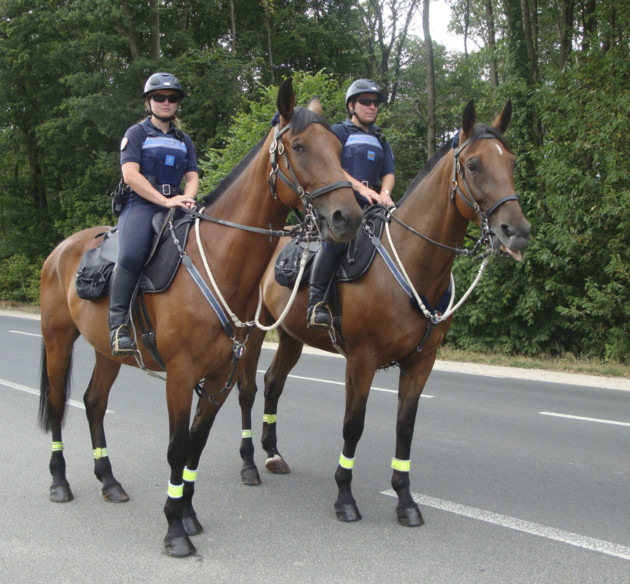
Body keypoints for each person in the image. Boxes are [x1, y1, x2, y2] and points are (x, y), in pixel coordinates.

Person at [109, 72, 199, 355]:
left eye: (172, 98)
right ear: (149, 102)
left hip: (175, 204)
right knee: (132, 253)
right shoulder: (136, 134)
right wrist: (164, 200)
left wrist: (187, 198)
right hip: (141, 204)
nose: (166, 102)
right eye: (159, 97)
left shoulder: (184, 139)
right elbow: (130, 176)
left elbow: (193, 176)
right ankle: (118, 326)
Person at [307, 78, 395, 329]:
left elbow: (388, 171)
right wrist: (360, 188)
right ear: (351, 106)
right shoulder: (339, 132)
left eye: (375, 103)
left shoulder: (380, 137)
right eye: (365, 102)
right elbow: (332, 167)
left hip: (376, 204)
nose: (372, 106)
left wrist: (385, 193)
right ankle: (316, 304)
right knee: (336, 240)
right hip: (342, 204)